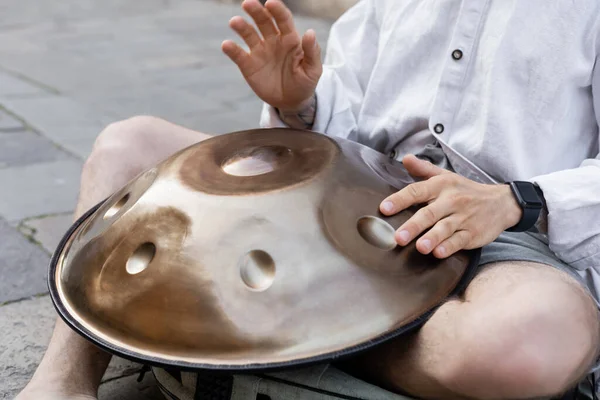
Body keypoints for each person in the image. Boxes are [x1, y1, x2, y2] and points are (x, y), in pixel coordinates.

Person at [16, 0, 600, 399]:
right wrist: (300, 103)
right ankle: (64, 375)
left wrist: (516, 199)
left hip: (508, 233)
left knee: (536, 339)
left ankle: (239, 337)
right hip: (359, 199)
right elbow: (344, 126)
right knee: (128, 144)